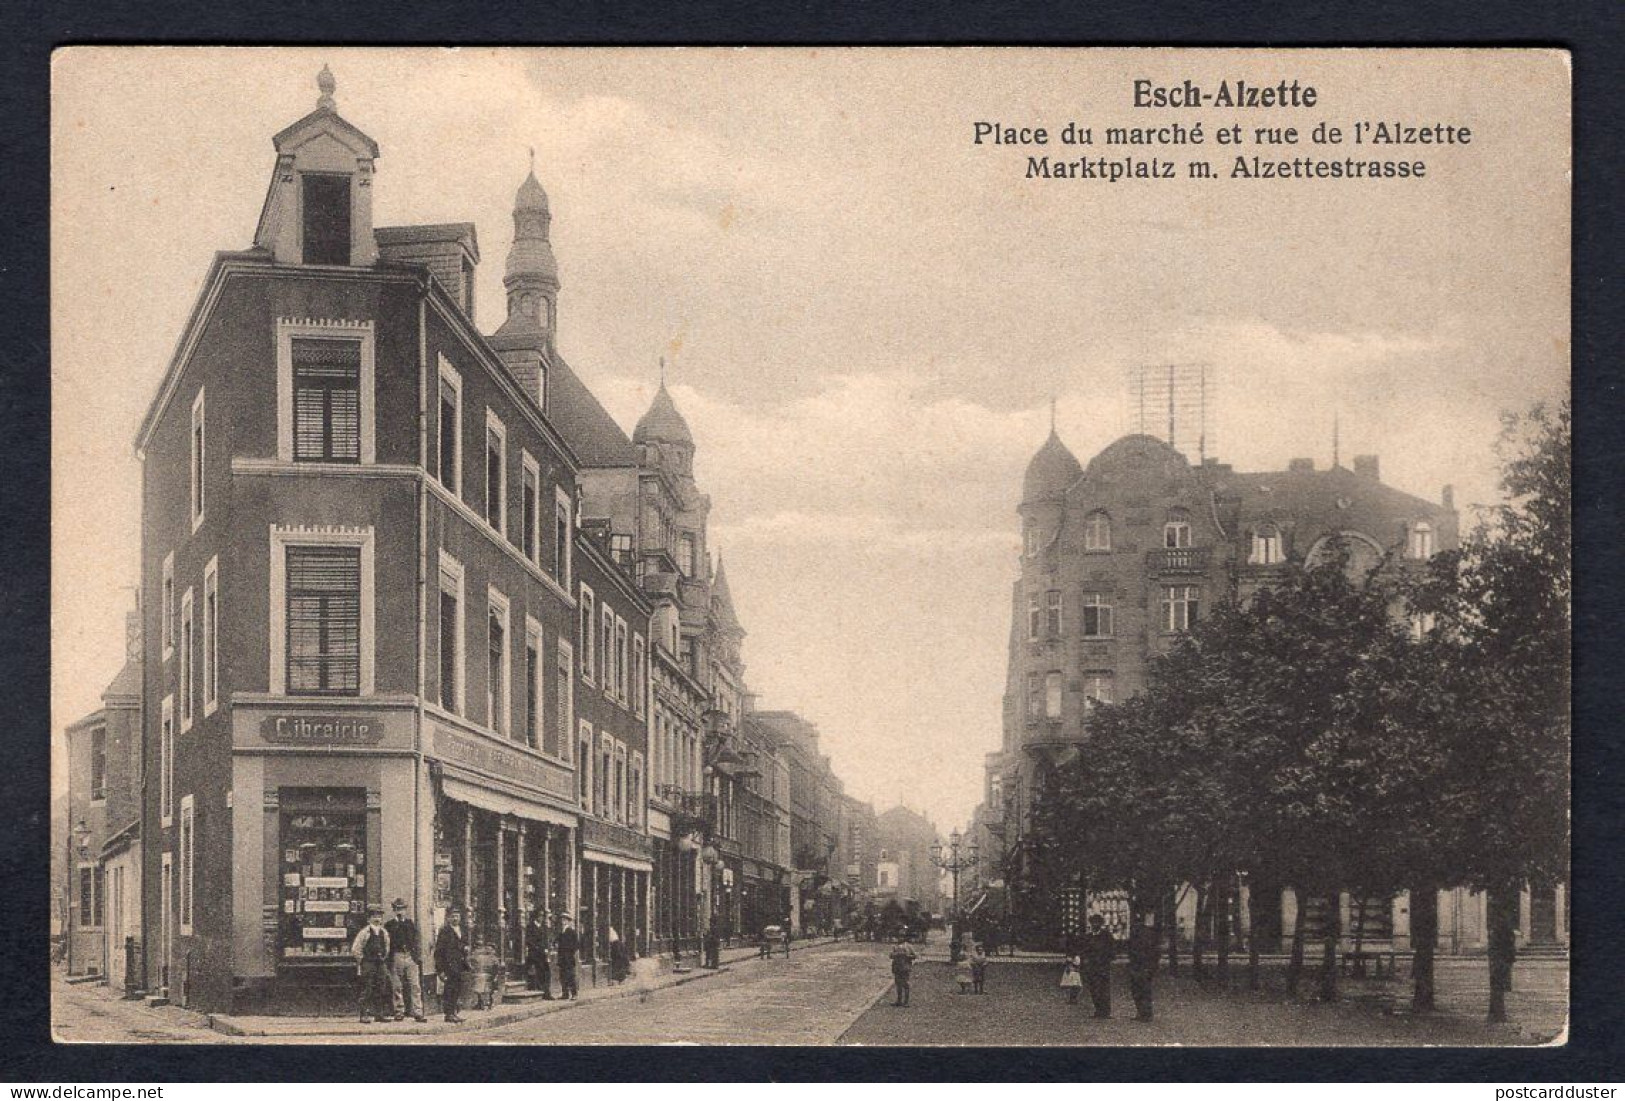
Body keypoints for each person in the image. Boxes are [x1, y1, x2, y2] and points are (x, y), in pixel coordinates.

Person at [384, 897, 428, 1022]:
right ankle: (399, 1011)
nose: (400, 911)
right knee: (397, 986)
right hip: (396, 956)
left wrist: (416, 956)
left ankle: (418, 1012)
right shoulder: (390, 925)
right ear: (394, 910)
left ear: (405, 910)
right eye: (397, 909)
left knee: (415, 985)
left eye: (402, 909)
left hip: (409, 956)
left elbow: (416, 940)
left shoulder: (410, 924)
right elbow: (388, 943)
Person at [351, 904, 393, 1023]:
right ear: (368, 919)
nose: (377, 918)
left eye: (379, 916)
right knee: (367, 988)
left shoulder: (384, 932)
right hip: (368, 964)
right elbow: (356, 949)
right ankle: (364, 1015)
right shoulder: (364, 932)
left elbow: (387, 947)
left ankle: (379, 1014)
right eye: (374, 916)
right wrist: (363, 961)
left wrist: (383, 958)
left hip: (380, 964)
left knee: (381, 988)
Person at [433, 908, 471, 1023]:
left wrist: (466, 948)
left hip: (459, 964)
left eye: (457, 916)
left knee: (457, 988)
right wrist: (440, 970)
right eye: (453, 916)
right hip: (449, 965)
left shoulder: (462, 930)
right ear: (449, 918)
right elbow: (439, 951)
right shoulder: (445, 931)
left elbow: (464, 944)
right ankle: (449, 1014)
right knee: (449, 989)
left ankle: (454, 1011)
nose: (455, 918)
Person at [1082, 913, 1117, 1019]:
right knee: (1093, 988)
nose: (1095, 925)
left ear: (1100, 924)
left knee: (1103, 988)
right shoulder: (1088, 937)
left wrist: (1106, 959)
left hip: (1103, 966)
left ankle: (1105, 1011)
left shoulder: (1106, 936)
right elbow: (1084, 950)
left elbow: (1112, 950)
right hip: (1092, 966)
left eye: (1097, 923)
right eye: (1093, 923)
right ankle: (1098, 1009)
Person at [1127, 915, 1158, 1022]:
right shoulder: (1135, 934)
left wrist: (1151, 967)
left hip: (1143, 967)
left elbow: (1154, 953)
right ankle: (1141, 1012)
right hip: (1137, 966)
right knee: (1137, 990)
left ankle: (1146, 1013)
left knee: (1143, 990)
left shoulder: (1147, 935)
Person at [524, 910, 553, 998]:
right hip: (534, 954)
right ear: (536, 917)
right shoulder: (530, 927)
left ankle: (546, 992)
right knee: (539, 972)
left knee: (547, 973)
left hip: (543, 954)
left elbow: (546, 940)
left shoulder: (543, 927)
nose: (541, 918)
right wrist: (538, 948)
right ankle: (542, 992)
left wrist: (547, 949)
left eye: (542, 916)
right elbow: (529, 941)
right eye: (540, 916)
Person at [554, 915, 581, 1000]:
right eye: (562, 920)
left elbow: (577, 945)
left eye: (565, 920)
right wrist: (555, 944)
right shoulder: (561, 932)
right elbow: (556, 941)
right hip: (562, 958)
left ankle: (574, 994)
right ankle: (565, 994)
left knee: (570, 976)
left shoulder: (571, 931)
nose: (563, 922)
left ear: (568, 921)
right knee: (562, 977)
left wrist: (569, 951)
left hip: (568, 958)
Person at [890, 940, 917, 1007]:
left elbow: (914, 956)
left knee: (906, 984)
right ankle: (899, 1001)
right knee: (898, 984)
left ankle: (906, 1002)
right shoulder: (895, 946)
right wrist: (896, 954)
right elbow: (890, 956)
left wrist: (906, 955)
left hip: (905, 968)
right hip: (897, 968)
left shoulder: (909, 946)